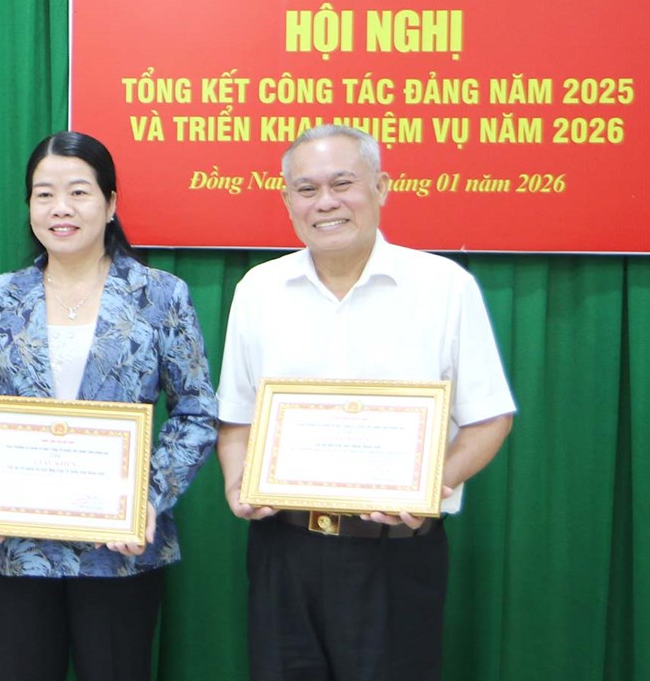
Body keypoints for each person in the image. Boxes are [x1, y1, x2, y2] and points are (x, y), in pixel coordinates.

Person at [216, 124, 517, 681]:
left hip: (396, 554)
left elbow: (489, 417)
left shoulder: (443, 287)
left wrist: (433, 484)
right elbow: (236, 418)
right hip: (284, 550)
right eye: (306, 189)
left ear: (381, 187)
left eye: (342, 183)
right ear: (287, 200)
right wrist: (237, 482)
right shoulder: (258, 290)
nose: (325, 202)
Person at [0, 130, 217, 681]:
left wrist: (145, 499)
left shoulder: (160, 294)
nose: (60, 208)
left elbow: (196, 412)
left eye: (78, 192)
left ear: (110, 203)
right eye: (44, 194)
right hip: (19, 546)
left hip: (120, 549)